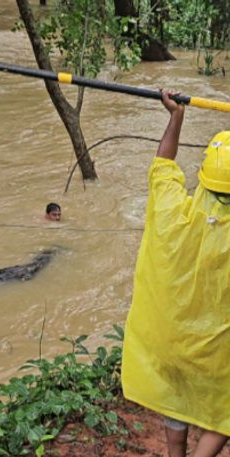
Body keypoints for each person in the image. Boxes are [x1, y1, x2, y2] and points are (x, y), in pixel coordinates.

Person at [122, 90, 230, 457]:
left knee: (175, 399)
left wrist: (176, 117)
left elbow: (163, 164)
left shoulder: (172, 211)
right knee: (225, 414)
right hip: (214, 353)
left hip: (168, 343)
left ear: (202, 177)